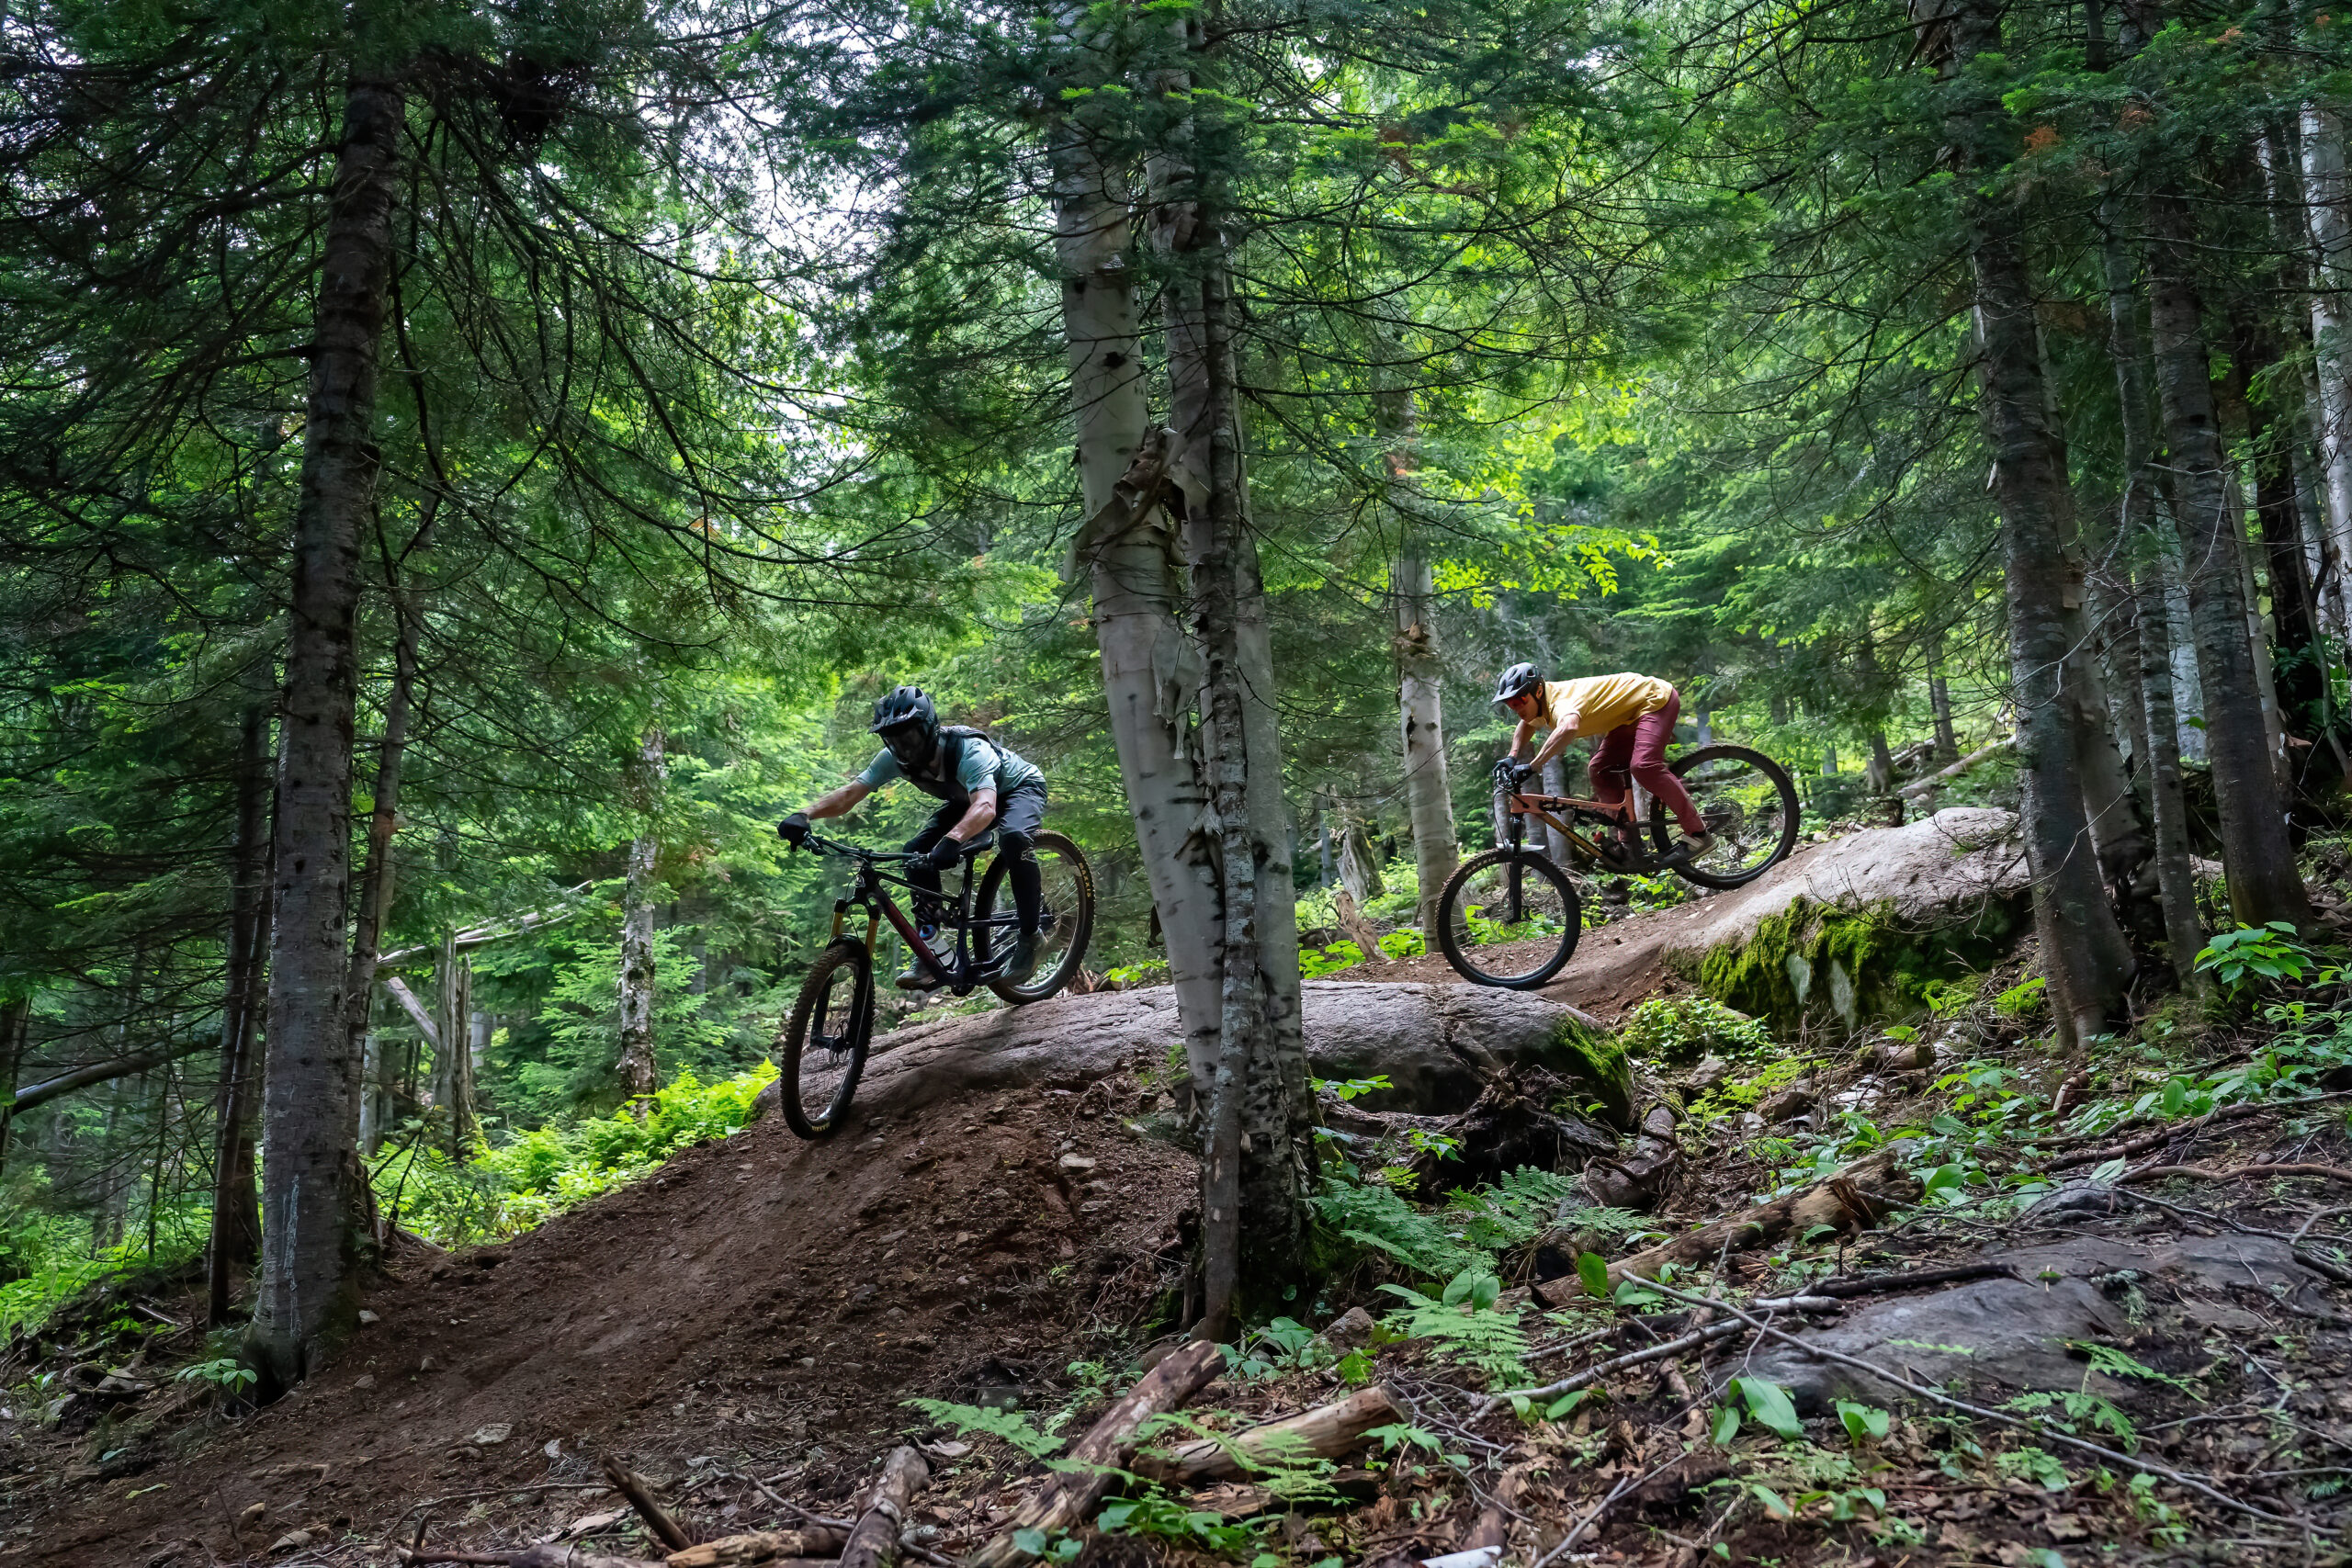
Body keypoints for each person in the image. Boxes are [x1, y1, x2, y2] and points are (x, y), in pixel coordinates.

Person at [777, 686, 1050, 988]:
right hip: (968, 799)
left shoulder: (968, 750)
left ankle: (1031, 937)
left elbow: (985, 806)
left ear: (930, 728)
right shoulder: (891, 759)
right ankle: (931, 952)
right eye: (894, 739)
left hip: (1018, 788)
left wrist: (953, 839)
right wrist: (804, 815)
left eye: (910, 736)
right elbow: (849, 795)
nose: (904, 747)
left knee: (1013, 838)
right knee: (916, 853)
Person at [1492, 663, 1713, 865]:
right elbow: (1526, 724)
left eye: (1520, 701)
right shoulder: (1538, 706)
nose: (1517, 708)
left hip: (1653, 700)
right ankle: (1630, 846)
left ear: (1538, 692)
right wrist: (1512, 756)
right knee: (1599, 770)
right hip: (1629, 715)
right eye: (1511, 704)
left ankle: (1698, 834)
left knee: (1644, 766)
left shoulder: (1561, 702)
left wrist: (1534, 766)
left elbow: (1569, 727)